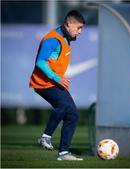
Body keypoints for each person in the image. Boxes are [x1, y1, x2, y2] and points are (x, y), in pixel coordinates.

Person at [29, 10, 85, 161]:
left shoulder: (65, 39)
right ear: (68, 24)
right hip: (43, 83)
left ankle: (63, 154)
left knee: (73, 115)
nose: (79, 32)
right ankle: (45, 137)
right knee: (64, 106)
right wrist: (56, 77)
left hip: (53, 83)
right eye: (78, 28)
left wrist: (57, 78)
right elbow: (40, 62)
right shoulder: (53, 39)